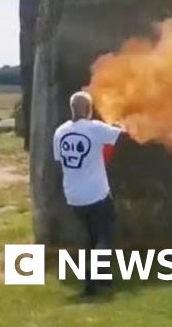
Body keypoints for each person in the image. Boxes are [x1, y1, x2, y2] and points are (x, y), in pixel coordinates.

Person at [52, 91, 125, 297]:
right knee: (102, 237)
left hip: (74, 196)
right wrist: (120, 123)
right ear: (88, 109)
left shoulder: (60, 132)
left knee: (91, 238)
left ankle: (101, 277)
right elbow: (120, 134)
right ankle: (92, 281)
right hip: (97, 195)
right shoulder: (95, 128)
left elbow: (60, 160)